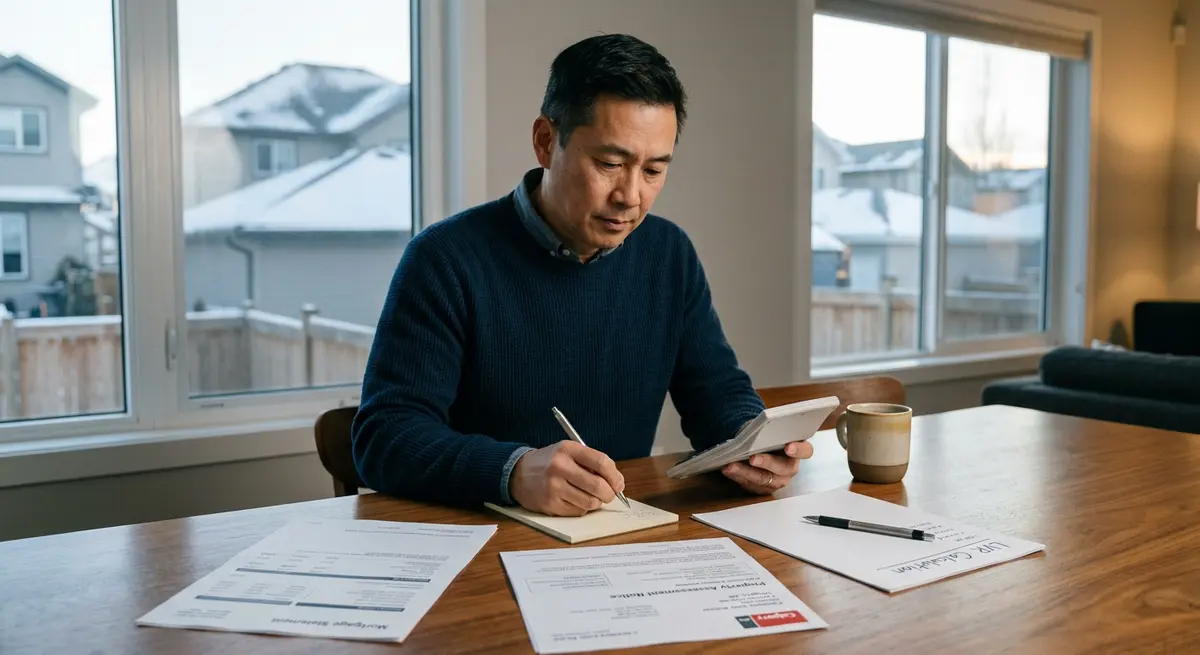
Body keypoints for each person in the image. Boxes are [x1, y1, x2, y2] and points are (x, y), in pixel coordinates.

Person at [352, 33, 813, 516]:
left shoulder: (667, 252)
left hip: (619, 529)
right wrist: (512, 470)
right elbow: (384, 436)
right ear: (546, 142)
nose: (630, 196)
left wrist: (752, 445)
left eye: (654, 170)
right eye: (610, 164)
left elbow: (715, 391)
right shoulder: (444, 258)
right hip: (482, 543)